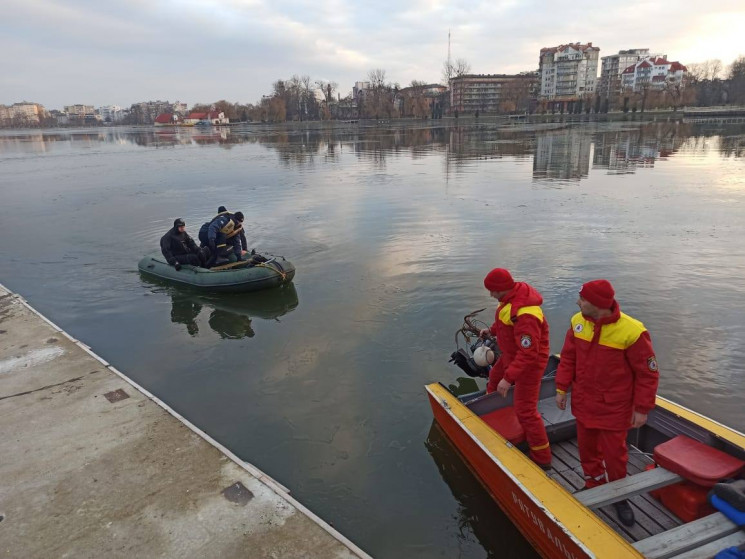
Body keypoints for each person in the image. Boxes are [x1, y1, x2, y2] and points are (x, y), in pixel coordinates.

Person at [555, 279, 659, 527]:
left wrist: (642, 408)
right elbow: (568, 358)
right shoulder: (577, 322)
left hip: (615, 408)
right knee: (587, 449)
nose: (577, 302)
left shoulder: (632, 332)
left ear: (597, 304)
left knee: (615, 456)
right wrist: (561, 388)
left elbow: (648, 373)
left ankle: (618, 496)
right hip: (584, 403)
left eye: (582, 299)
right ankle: (593, 483)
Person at [478, 268, 552, 469]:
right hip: (511, 355)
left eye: (492, 291)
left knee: (526, 411)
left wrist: (509, 378)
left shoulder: (526, 314)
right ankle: (494, 418)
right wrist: (491, 330)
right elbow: (505, 321)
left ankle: (542, 457)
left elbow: (529, 353)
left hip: (530, 364)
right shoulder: (511, 298)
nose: (490, 295)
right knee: (494, 378)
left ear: (501, 289)